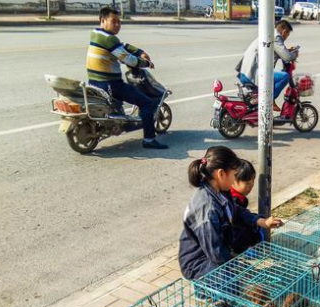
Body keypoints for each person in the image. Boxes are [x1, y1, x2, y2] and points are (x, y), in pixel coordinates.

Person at [178, 147, 283, 281]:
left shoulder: (220, 190)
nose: (234, 178)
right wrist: (238, 267)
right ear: (221, 174)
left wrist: (260, 221)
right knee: (235, 283)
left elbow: (236, 210)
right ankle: (204, 289)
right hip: (197, 263)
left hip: (212, 251)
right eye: (234, 174)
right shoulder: (207, 208)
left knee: (239, 268)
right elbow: (216, 253)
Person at [86, 6, 168, 150]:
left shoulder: (96, 34)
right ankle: (149, 139)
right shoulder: (109, 39)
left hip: (94, 83)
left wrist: (139, 51)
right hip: (110, 85)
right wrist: (146, 63)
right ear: (102, 20)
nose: (117, 25)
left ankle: (121, 120)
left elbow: (122, 45)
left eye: (119, 22)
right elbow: (128, 59)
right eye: (114, 21)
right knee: (146, 103)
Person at [237, 20, 299, 112]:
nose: (286, 38)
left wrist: (288, 50)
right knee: (284, 76)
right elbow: (287, 57)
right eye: (287, 35)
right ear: (284, 32)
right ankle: (269, 100)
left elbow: (276, 50)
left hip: (244, 72)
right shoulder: (277, 37)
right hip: (252, 74)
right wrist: (294, 54)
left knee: (273, 76)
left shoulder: (268, 34)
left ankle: (266, 100)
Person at [231, 159, 265, 254]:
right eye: (247, 184)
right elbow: (240, 214)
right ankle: (241, 249)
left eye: (252, 182)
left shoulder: (238, 196)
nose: (251, 187)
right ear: (233, 181)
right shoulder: (233, 199)